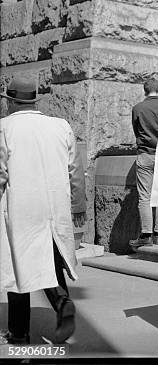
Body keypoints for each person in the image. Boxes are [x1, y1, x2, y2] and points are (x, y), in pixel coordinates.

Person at [0, 76, 86, 345]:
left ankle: (19, 335)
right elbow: (75, 171)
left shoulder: (4, 128)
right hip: (54, 206)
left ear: (12, 102)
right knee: (50, 261)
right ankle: (62, 303)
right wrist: (78, 206)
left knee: (18, 269)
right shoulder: (60, 126)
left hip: (20, 207)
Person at [129, 78, 158, 248]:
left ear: (144, 91)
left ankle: (146, 234)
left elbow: (136, 129)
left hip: (145, 154)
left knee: (144, 197)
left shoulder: (138, 108)